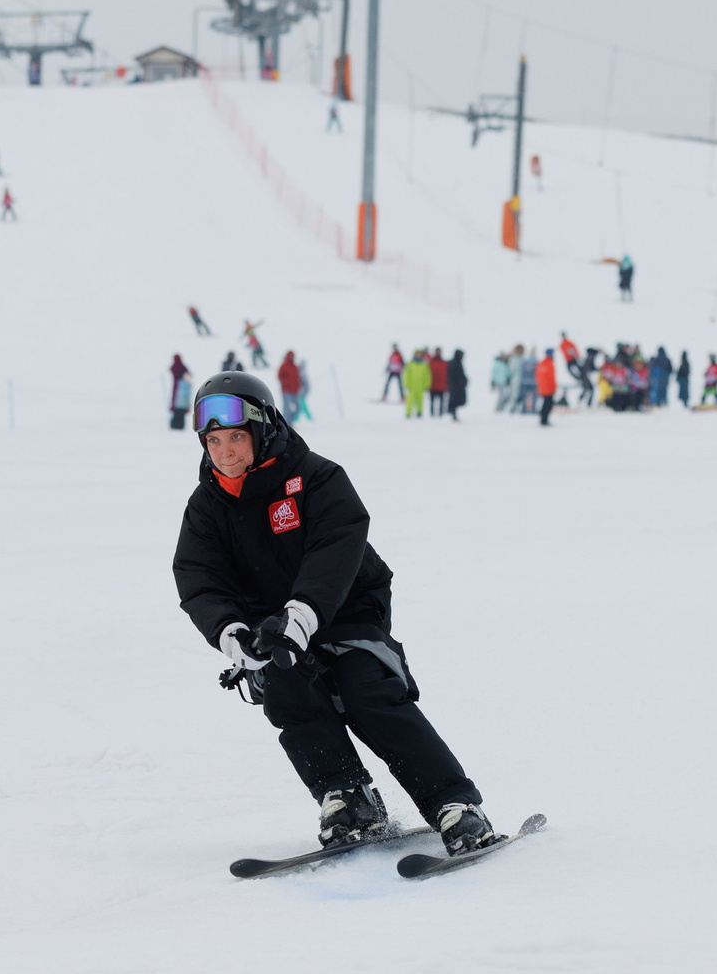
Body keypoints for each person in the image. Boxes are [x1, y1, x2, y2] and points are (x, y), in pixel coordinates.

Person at [175, 372, 500, 856]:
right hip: (273, 626)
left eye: (236, 437)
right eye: (214, 441)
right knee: (287, 693)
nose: (225, 452)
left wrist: (302, 617)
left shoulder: (317, 477)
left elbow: (336, 549)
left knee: (367, 692)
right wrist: (233, 634)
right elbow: (199, 576)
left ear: (263, 430)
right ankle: (349, 797)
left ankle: (455, 806)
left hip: (348, 609)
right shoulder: (207, 506)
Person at [403, 348, 431, 419]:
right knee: (410, 400)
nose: (418, 355)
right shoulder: (410, 364)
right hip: (412, 386)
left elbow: (427, 376)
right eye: (417, 354)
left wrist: (426, 384)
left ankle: (419, 412)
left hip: (421, 386)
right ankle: (408, 412)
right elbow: (406, 375)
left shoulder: (424, 365)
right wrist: (407, 384)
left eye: (419, 354)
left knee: (420, 400)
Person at [277, 350, 304, 421]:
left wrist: (299, 386)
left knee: (298, 407)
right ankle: (286, 422)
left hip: (295, 390)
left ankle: (290, 420)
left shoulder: (295, 367)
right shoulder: (284, 366)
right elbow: (280, 376)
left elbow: (298, 378)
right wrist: (285, 382)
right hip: (286, 390)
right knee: (287, 408)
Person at [168, 353, 192, 430]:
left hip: (180, 393)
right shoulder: (182, 368)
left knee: (179, 411)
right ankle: (177, 425)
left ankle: (176, 425)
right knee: (179, 412)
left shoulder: (180, 368)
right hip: (179, 393)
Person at [445, 348, 470, 421]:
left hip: (458, 386)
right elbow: (453, 375)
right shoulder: (454, 363)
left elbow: (461, 373)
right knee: (454, 400)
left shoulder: (458, 362)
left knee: (459, 400)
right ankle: (452, 411)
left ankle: (452, 411)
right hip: (455, 385)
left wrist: (464, 379)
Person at [535, 348, 558, 426]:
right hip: (549, 388)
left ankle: (543, 418)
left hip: (542, 387)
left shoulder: (541, 363)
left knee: (545, 403)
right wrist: (554, 387)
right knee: (548, 404)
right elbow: (551, 377)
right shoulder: (549, 363)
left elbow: (537, 376)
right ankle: (544, 420)